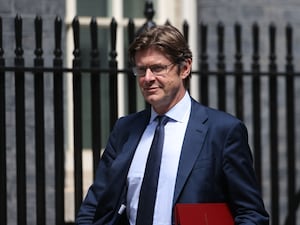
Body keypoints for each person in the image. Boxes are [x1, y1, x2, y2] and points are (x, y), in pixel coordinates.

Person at [76, 25, 269, 225]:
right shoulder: (125, 129)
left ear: (184, 68)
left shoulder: (223, 131)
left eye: (158, 68)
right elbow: (94, 206)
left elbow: (251, 214)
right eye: (141, 70)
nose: (148, 78)